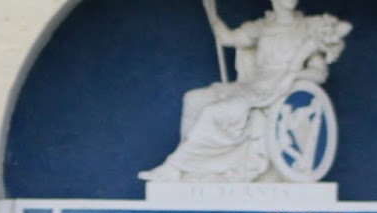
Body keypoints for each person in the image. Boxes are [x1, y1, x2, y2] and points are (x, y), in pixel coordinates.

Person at [138, 0, 352, 183]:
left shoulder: (307, 27)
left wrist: (293, 78)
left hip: (278, 92)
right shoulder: (262, 26)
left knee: (213, 113)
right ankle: (192, 172)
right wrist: (212, 13)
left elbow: (318, 72)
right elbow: (227, 39)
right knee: (193, 99)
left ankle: (174, 166)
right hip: (254, 87)